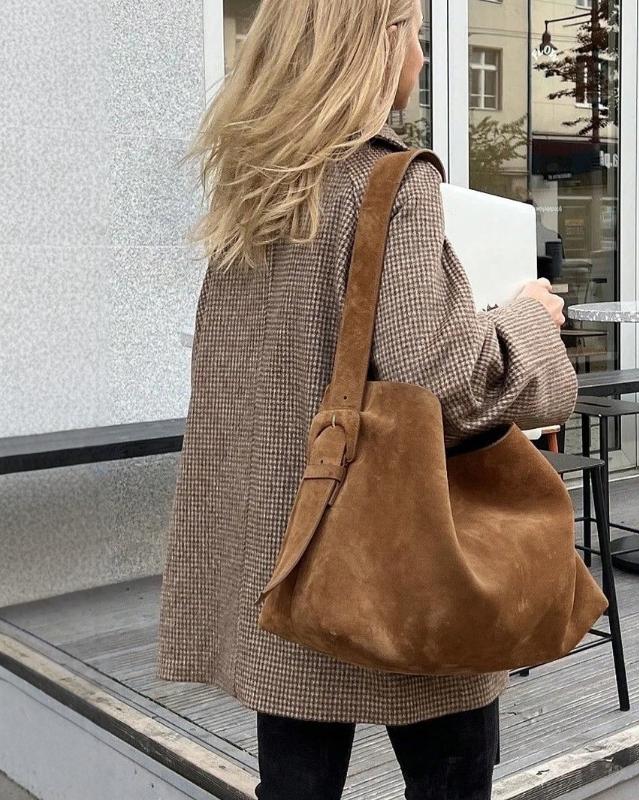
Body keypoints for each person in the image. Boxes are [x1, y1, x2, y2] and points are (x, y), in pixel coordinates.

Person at [155, 1, 577, 798]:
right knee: (450, 776)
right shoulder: (392, 180)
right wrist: (527, 318)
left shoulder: (258, 184)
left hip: (283, 548)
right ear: (372, 43)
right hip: (397, 547)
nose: (422, 55)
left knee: (296, 783)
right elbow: (443, 378)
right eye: (414, 32)